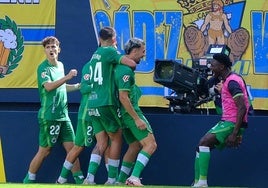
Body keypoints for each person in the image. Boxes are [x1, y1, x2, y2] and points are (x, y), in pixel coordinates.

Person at [23, 36, 83, 184]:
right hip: (49, 116)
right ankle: (28, 180)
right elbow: (49, 87)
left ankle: (80, 180)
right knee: (45, 151)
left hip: (64, 116)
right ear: (45, 50)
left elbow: (61, 87)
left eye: (53, 47)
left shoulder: (60, 65)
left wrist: (77, 86)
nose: (51, 49)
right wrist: (68, 77)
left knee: (73, 149)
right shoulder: (43, 68)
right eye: (48, 47)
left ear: (58, 49)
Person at [83, 26, 136, 185]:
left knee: (101, 143)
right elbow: (131, 63)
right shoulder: (110, 52)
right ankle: (111, 180)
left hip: (92, 102)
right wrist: (122, 56)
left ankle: (89, 178)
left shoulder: (94, 55)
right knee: (116, 139)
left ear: (99, 39)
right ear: (114, 40)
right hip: (106, 102)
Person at [192, 53, 250, 188]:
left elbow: (242, 107)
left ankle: (202, 182)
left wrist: (235, 133)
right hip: (227, 121)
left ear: (222, 66)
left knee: (204, 142)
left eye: (213, 65)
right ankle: (197, 183)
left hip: (231, 122)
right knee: (200, 147)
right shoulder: (227, 80)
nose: (211, 67)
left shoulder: (232, 81)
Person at [114, 38, 157, 186]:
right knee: (150, 145)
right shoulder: (125, 70)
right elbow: (123, 97)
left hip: (122, 116)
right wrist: (137, 119)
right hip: (130, 114)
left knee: (134, 146)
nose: (143, 55)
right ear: (134, 51)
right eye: (142, 51)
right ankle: (134, 177)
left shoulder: (120, 67)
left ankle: (120, 181)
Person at [56, 57, 96, 184]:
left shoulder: (112, 66)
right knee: (78, 146)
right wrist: (99, 86)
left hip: (104, 111)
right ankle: (62, 179)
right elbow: (84, 88)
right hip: (88, 112)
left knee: (105, 144)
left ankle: (110, 180)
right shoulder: (90, 66)